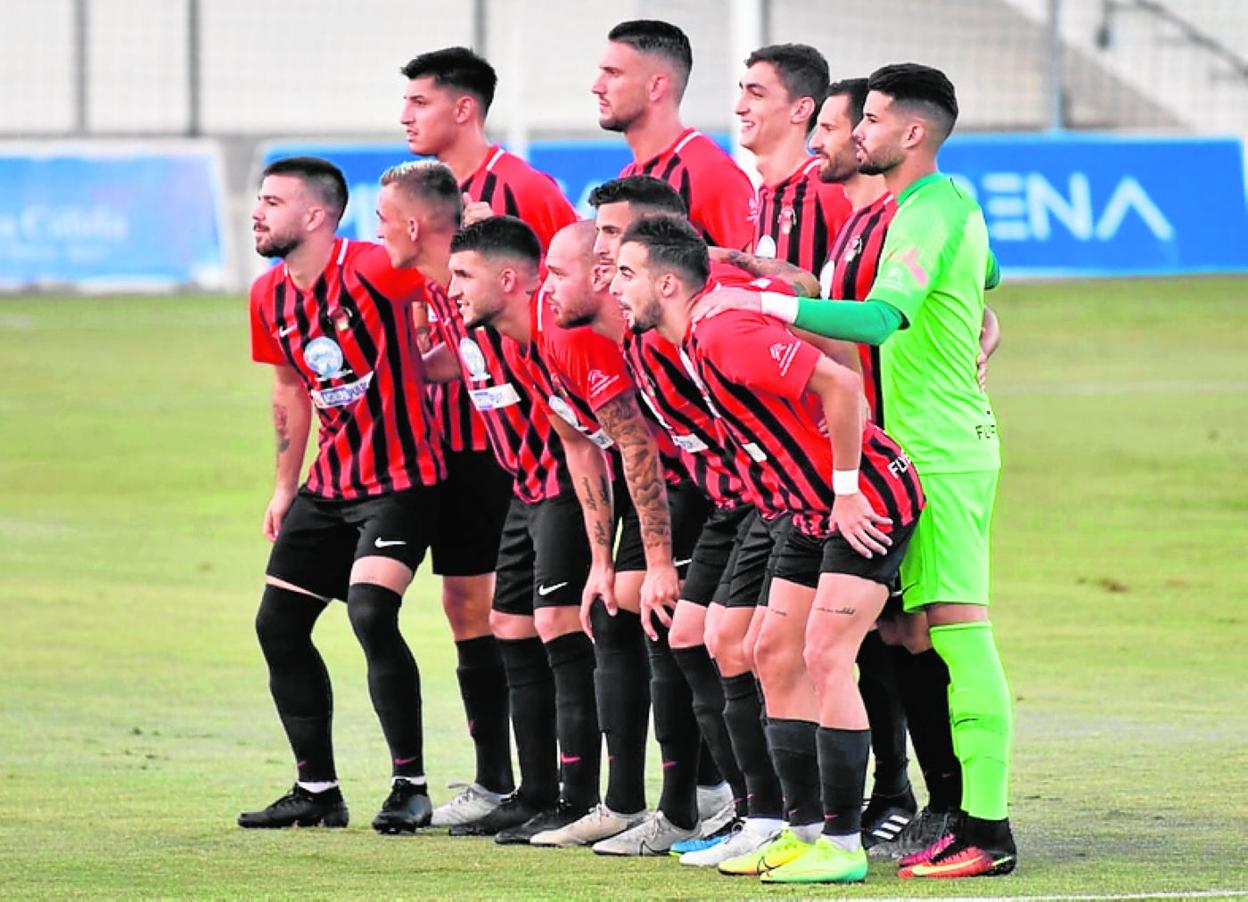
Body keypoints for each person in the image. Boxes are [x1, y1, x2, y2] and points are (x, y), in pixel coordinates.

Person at [748, 63, 1018, 879]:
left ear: (912, 133)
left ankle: (989, 830)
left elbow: (877, 319)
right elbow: (988, 274)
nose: (853, 130)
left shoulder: (933, 208)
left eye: (867, 119)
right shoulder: (909, 211)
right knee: (904, 637)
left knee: (960, 635)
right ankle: (945, 810)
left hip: (944, 450)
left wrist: (760, 311)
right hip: (904, 454)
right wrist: (980, 307)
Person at [612, 214, 924, 884]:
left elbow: (842, 384)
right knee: (768, 653)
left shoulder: (721, 333)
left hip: (865, 500)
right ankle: (799, 829)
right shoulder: (700, 319)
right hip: (802, 511)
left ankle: (843, 845)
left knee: (825, 655)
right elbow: (752, 275)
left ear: (667, 283)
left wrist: (844, 491)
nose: (615, 287)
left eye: (627, 273)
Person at [375, 163, 600, 843]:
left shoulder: (523, 309)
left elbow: (573, 406)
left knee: (560, 627)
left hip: (559, 480)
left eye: (385, 218)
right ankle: (533, 792)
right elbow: (463, 365)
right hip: (523, 488)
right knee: (509, 630)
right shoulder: (445, 295)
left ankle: (583, 797)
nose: (378, 229)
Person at [397, 46, 578, 826]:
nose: (404, 115)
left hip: (543, 448)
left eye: (418, 102)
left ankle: (604, 792)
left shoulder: (524, 189)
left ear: (463, 109)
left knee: (556, 618)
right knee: (476, 611)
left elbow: (572, 294)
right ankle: (503, 782)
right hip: (474, 443)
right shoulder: (422, 211)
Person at [238, 157, 444, 835]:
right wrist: (283, 487)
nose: (257, 212)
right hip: (330, 485)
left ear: (317, 215)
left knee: (370, 612)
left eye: (273, 201)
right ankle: (317, 791)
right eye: (258, 200)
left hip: (405, 477)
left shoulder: (376, 269)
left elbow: (447, 286)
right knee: (278, 625)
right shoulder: (268, 294)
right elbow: (290, 391)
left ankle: (410, 785)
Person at [588, 175, 788, 867]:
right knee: (692, 635)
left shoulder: (720, 305)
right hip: (733, 501)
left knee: (769, 649)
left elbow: (821, 316)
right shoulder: (641, 331)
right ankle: (748, 809)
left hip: (781, 498)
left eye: (614, 240)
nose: (600, 256)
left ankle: (808, 816)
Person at [593, 19, 755, 250]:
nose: (597, 86)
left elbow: (756, 272)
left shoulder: (708, 172)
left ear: (656, 87)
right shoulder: (630, 174)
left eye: (613, 73)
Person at [734, 44, 850, 271]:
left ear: (800, 110)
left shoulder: (829, 188)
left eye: (756, 95)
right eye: (742, 93)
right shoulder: (765, 193)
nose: (739, 107)